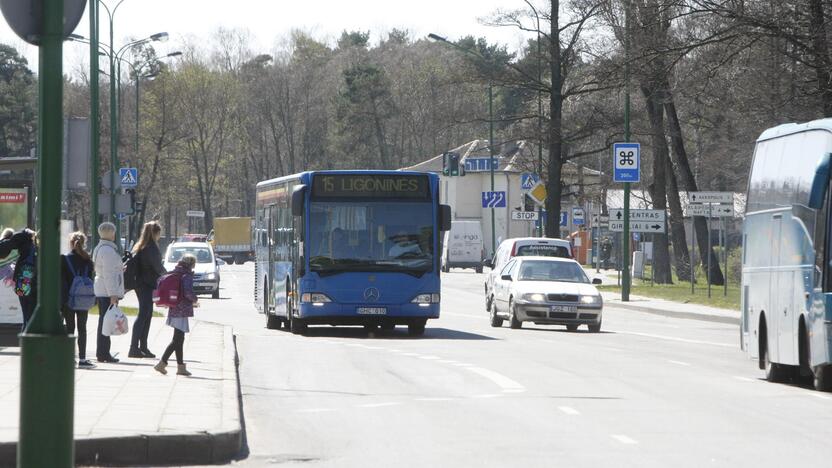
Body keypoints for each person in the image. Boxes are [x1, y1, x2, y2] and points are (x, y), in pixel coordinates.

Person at [154, 254, 198, 377]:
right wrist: (195, 299)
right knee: (177, 340)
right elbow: (188, 292)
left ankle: (180, 367)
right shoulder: (186, 275)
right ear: (191, 264)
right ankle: (162, 363)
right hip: (182, 309)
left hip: (174, 308)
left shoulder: (176, 272)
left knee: (179, 339)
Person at [129, 221, 165, 358]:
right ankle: (134, 348)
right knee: (144, 314)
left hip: (141, 284)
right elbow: (158, 267)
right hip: (147, 285)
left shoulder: (141, 245)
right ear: (155, 233)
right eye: (159, 233)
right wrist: (169, 275)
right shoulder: (151, 248)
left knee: (147, 314)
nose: (159, 236)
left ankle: (142, 347)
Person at [61, 232, 95, 369]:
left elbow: (62, 281)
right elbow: (91, 278)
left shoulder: (64, 259)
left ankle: (69, 358)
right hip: (84, 298)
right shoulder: (87, 259)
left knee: (70, 328)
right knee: (82, 329)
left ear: (70, 243)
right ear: (84, 242)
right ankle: (82, 358)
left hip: (69, 298)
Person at [92, 222, 124, 363]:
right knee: (106, 322)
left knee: (104, 321)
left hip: (102, 288)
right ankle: (104, 353)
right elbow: (109, 274)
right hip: (106, 291)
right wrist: (113, 294)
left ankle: (102, 352)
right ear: (111, 234)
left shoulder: (100, 248)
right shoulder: (108, 251)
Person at [0, 229, 37, 331]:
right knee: (30, 316)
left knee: (26, 315)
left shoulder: (22, 237)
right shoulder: (34, 245)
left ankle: (26, 339)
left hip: (23, 282)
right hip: (36, 283)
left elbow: (3, 249)